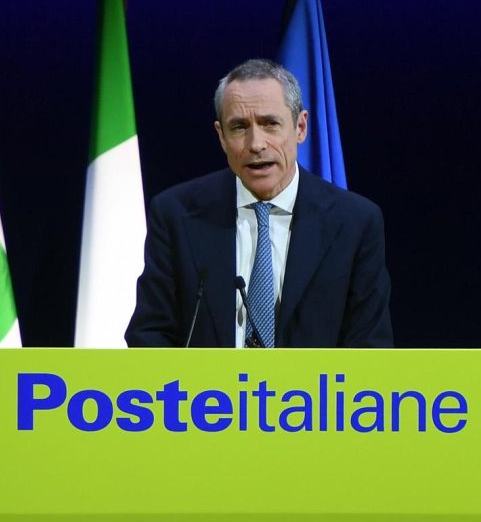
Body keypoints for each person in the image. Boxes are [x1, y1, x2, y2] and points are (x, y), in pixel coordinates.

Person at [125, 58, 392, 348]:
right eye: (239, 127)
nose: (255, 144)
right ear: (222, 136)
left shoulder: (355, 222)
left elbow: (370, 347)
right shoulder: (176, 214)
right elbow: (149, 336)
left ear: (300, 127)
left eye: (270, 124)